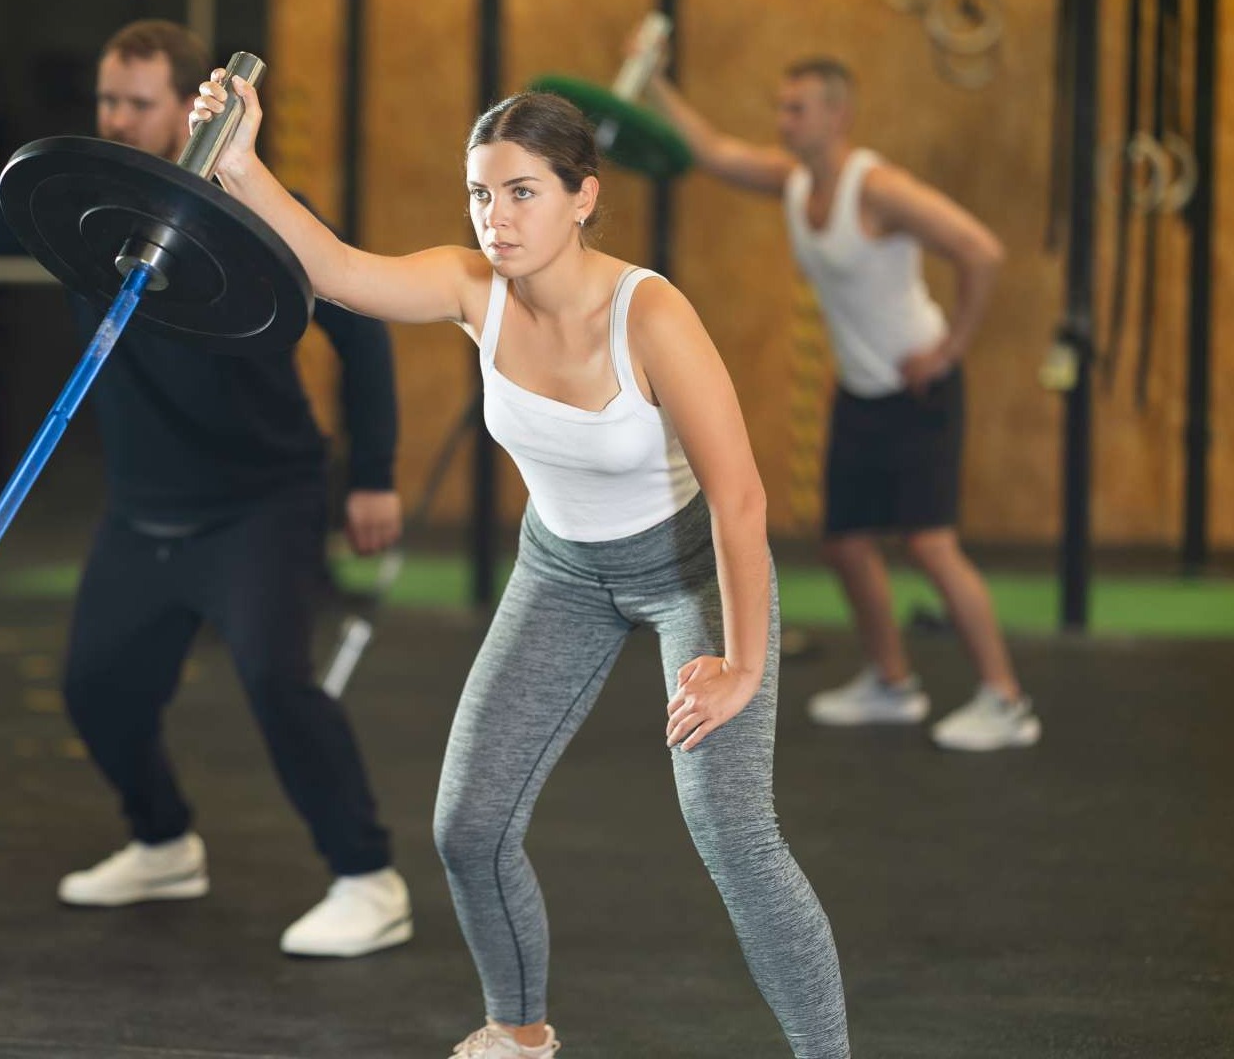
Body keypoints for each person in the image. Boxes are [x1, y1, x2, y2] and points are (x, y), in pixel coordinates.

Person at [192, 71, 850, 1057]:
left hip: (692, 569)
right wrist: (240, 162)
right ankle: (521, 1035)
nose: (495, 218)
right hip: (562, 572)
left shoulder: (650, 317)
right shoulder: (473, 290)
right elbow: (331, 268)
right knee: (469, 825)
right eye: (480, 194)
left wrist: (743, 664)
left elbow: (740, 499)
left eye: (522, 192)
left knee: (731, 830)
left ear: (583, 196)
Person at [0, 21, 415, 958]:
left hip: (260, 501)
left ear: (188, 106)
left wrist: (375, 474)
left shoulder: (258, 208)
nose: (116, 118)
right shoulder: (80, 207)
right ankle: (163, 842)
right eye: (107, 99)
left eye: (137, 102)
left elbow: (363, 330)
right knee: (98, 691)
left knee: (276, 682)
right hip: (145, 510)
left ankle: (368, 877)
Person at [644, 57, 1040, 752]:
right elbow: (711, 152)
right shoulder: (794, 182)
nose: (784, 121)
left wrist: (950, 348)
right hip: (860, 392)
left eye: (797, 109)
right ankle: (892, 682)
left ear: (837, 116)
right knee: (846, 542)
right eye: (781, 107)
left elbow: (982, 250)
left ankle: (1007, 700)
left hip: (919, 390)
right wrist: (651, 78)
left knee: (930, 544)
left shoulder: (879, 188)